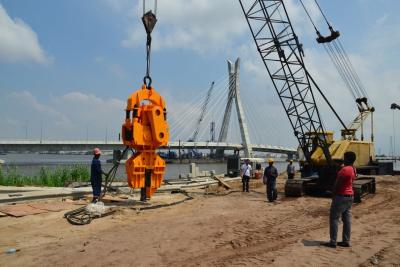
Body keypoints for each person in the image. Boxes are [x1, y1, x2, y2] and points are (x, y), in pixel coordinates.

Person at [323, 151, 357, 248]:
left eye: (344, 158)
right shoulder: (353, 169)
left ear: (347, 159)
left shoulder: (344, 170)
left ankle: (333, 242)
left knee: (334, 218)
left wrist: (333, 193)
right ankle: (346, 241)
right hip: (350, 196)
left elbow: (337, 184)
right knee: (347, 219)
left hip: (341, 196)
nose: (343, 159)